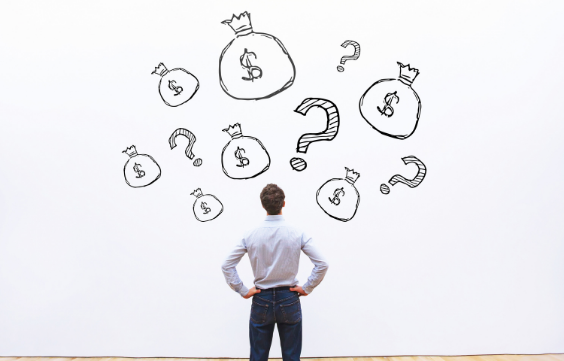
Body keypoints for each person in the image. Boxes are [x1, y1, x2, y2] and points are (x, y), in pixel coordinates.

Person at [221, 183, 329, 361]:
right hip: (289, 298)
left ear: (263, 205)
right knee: (291, 357)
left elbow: (227, 265)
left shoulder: (250, 234)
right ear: (283, 204)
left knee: (258, 356)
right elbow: (322, 263)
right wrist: (307, 288)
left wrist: (242, 290)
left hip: (261, 298)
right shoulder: (297, 233)